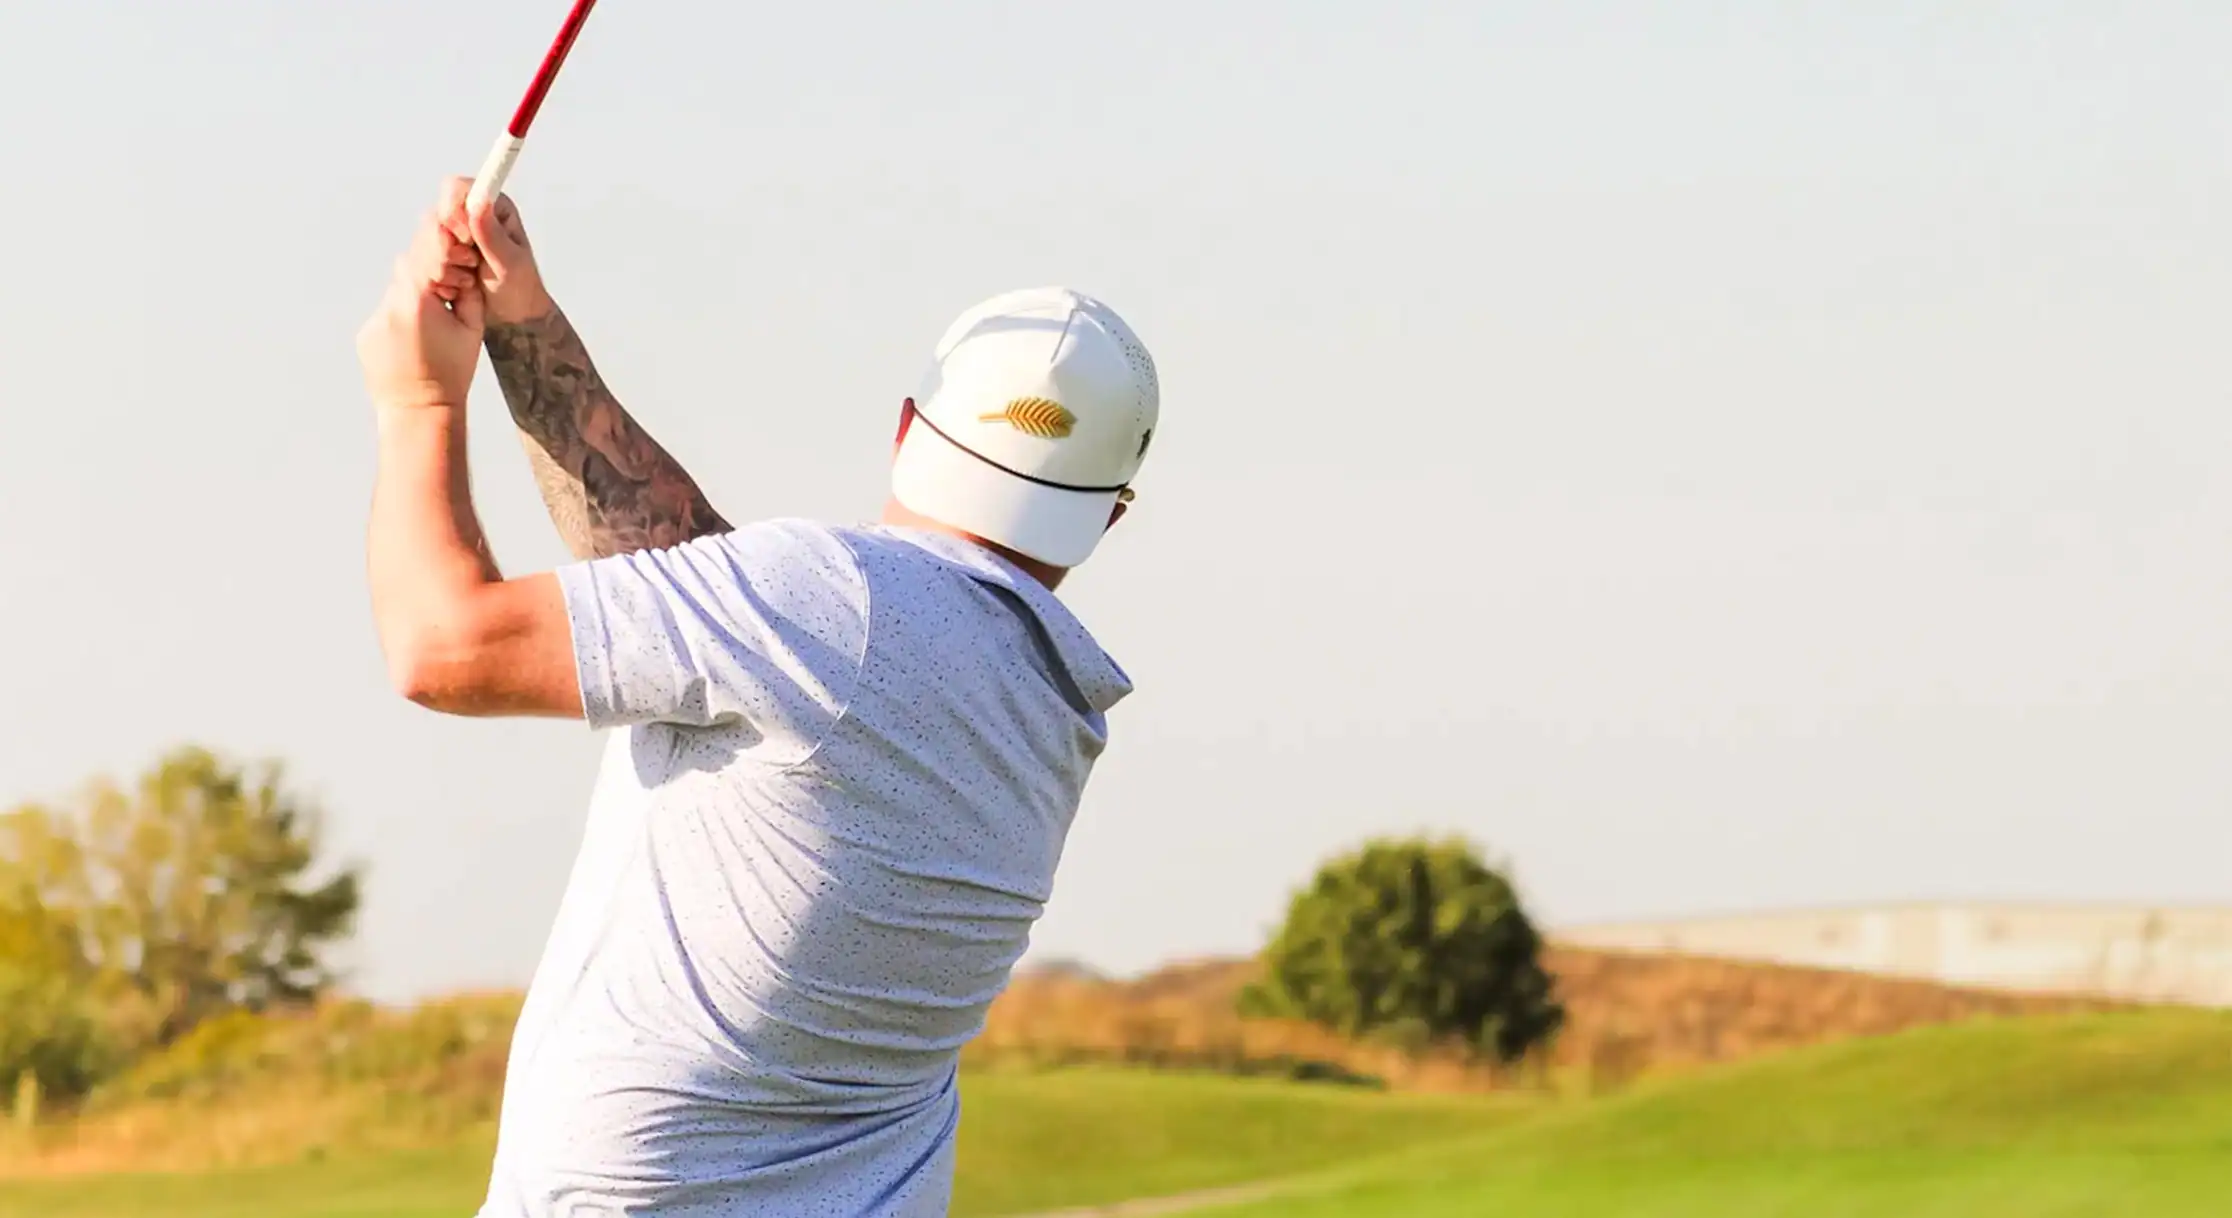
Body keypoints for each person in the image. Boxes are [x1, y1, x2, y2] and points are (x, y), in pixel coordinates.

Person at [356, 178, 1160, 1217]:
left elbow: (440, 645)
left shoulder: (828, 606)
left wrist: (416, 403)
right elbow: (690, 585)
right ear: (1112, 514)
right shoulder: (1048, 702)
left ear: (908, 427)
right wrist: (526, 328)